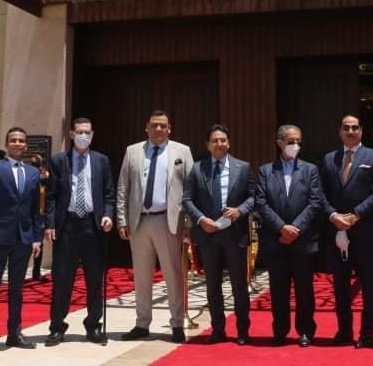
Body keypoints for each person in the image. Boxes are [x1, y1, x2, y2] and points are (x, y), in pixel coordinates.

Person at [116, 110, 194, 343]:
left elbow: (191, 189)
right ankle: (142, 323)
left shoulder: (182, 151)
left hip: (169, 221)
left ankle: (177, 323)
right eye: (154, 125)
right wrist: (122, 219)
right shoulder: (133, 151)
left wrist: (189, 223)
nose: (158, 129)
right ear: (146, 127)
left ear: (170, 128)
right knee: (141, 276)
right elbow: (123, 187)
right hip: (139, 221)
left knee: (173, 274)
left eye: (162, 125)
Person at [182, 125, 255, 345]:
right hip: (208, 235)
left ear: (229, 143)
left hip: (234, 234)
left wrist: (239, 211)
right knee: (212, 286)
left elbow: (253, 197)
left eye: (223, 140)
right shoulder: (197, 169)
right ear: (208, 145)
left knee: (239, 286)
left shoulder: (243, 167)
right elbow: (187, 199)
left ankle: (243, 331)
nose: (219, 144)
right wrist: (201, 220)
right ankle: (218, 330)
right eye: (215, 140)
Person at [44, 118, 115, 347]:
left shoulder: (101, 161)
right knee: (63, 278)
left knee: (94, 278)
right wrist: (50, 224)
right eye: (80, 132)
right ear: (72, 135)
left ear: (92, 134)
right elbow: (51, 196)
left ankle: (93, 325)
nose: (84, 135)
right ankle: (57, 327)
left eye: (88, 132)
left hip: (93, 226)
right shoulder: (59, 160)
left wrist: (108, 214)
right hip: (68, 225)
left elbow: (109, 193)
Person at [319, 115, 373, 348]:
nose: (350, 131)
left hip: (365, 230)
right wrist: (333, 215)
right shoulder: (329, 159)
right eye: (346, 128)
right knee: (340, 285)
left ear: (361, 131)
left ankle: (367, 334)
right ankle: (344, 331)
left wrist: (355, 215)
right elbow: (320, 193)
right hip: (337, 230)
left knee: (368, 284)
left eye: (354, 127)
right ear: (340, 132)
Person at [0, 128, 44, 355]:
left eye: (21, 141)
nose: (17, 143)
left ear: (26, 145)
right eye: (13, 140)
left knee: (17, 289)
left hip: (23, 239)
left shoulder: (33, 172)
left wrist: (36, 238)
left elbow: (36, 209)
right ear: (7, 144)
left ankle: (14, 333)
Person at [255, 124, 321, 347]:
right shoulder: (266, 171)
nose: (295, 146)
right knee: (278, 290)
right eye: (291, 141)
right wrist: (282, 228)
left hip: (303, 241)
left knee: (305, 290)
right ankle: (280, 331)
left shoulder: (310, 170)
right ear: (280, 143)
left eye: (298, 142)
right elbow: (261, 203)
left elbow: (314, 202)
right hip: (276, 240)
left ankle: (306, 331)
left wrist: (295, 229)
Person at [26, 154, 50, 281]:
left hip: (39, 215)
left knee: (38, 244)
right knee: (28, 245)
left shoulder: (44, 177)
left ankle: (36, 272)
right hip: (30, 215)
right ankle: (26, 272)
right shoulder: (32, 176)